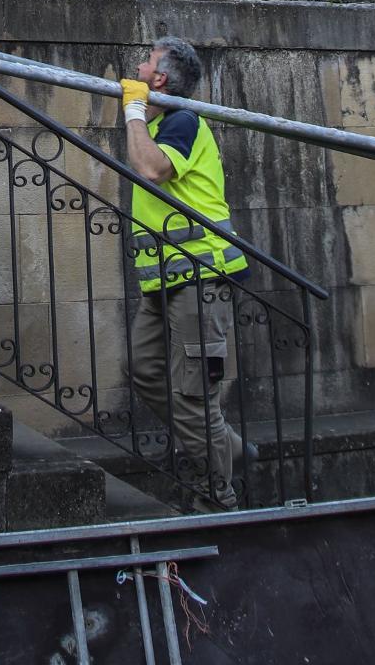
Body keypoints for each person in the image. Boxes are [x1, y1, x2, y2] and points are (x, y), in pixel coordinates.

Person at [119, 35, 250, 509]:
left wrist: (134, 112)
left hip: (200, 275)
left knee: (195, 397)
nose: (136, 64)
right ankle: (230, 450)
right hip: (166, 279)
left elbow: (151, 170)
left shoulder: (182, 122)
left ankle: (219, 498)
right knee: (144, 369)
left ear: (158, 79)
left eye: (145, 60)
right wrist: (139, 115)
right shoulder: (162, 124)